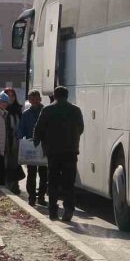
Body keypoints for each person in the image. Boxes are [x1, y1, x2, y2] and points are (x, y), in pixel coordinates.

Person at [33, 86, 84, 222]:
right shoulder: (75, 110)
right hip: (70, 152)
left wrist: (37, 141)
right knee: (69, 182)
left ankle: (53, 211)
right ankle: (68, 209)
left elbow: (39, 128)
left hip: (53, 152)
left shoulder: (47, 109)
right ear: (67, 96)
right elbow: (81, 128)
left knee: (53, 182)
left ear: (54, 96)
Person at [18, 90, 47, 206]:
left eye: (37, 99)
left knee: (44, 174)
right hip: (31, 145)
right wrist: (21, 139)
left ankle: (41, 197)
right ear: (29, 100)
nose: (35, 101)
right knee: (31, 173)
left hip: (44, 145)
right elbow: (21, 129)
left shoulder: (46, 111)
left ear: (40, 99)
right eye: (32, 99)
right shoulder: (26, 114)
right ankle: (31, 197)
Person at [2, 87, 26, 195]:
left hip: (16, 141)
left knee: (15, 163)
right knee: (6, 163)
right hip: (5, 141)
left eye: (12, 95)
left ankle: (14, 185)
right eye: (8, 95)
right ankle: (7, 185)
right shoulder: (1, 109)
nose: (11, 98)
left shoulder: (18, 109)